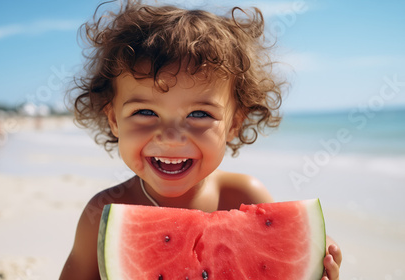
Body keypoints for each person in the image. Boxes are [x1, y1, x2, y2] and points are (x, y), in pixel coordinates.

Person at [59, 1, 342, 279]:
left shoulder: (245, 196)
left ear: (234, 124)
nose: (170, 137)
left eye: (198, 114)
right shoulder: (100, 216)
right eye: (145, 112)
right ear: (113, 120)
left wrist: (310, 261)